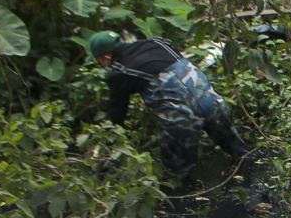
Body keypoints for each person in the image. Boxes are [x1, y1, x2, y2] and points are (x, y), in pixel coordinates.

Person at [89, 31, 250, 178]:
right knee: (243, 156)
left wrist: (105, 151)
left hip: (181, 120)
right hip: (214, 104)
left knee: (177, 177)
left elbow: (117, 117)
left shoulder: (119, 72)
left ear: (106, 58)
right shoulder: (158, 42)